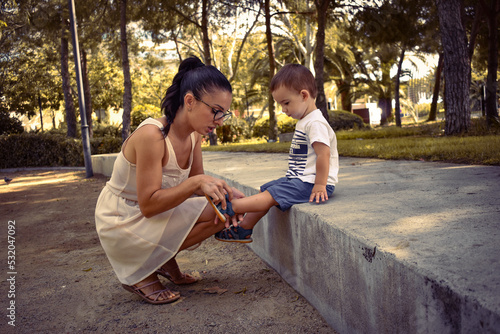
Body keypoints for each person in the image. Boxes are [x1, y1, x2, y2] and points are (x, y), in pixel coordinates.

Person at [95, 56, 244, 304]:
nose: (219, 121)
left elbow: (198, 182)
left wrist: (225, 191)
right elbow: (149, 205)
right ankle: (138, 273)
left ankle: (160, 259)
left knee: (220, 214)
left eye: (223, 114)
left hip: (152, 215)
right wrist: (197, 183)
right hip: (123, 220)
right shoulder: (152, 136)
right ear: (189, 101)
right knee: (216, 210)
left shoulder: (195, 136)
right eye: (216, 111)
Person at [210, 63, 339, 243]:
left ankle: (230, 207)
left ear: (304, 95)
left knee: (271, 195)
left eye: (286, 103)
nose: (283, 109)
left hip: (312, 184)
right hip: (300, 180)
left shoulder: (315, 123)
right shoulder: (305, 120)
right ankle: (243, 229)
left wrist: (320, 185)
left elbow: (323, 155)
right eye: (280, 104)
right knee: (268, 190)